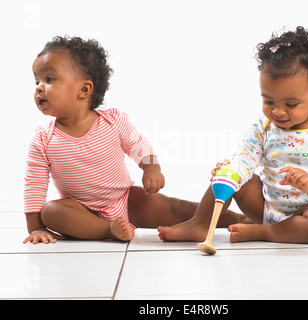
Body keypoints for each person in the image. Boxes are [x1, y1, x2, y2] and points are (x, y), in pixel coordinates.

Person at [23, 36, 245, 244]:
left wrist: (151, 169)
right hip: (80, 212)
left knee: (176, 208)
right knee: (51, 212)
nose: (39, 87)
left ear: (84, 89)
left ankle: (237, 219)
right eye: (36, 81)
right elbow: (34, 184)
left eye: (49, 79)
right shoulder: (43, 138)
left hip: (126, 199)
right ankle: (108, 229)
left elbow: (138, 145)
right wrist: (35, 228)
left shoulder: (112, 120)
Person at [158, 26, 308, 244]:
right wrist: (232, 170)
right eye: (268, 101)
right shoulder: (264, 126)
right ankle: (201, 223)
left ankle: (264, 232)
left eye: (291, 104)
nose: (277, 111)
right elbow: (246, 157)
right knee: (231, 173)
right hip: (264, 207)